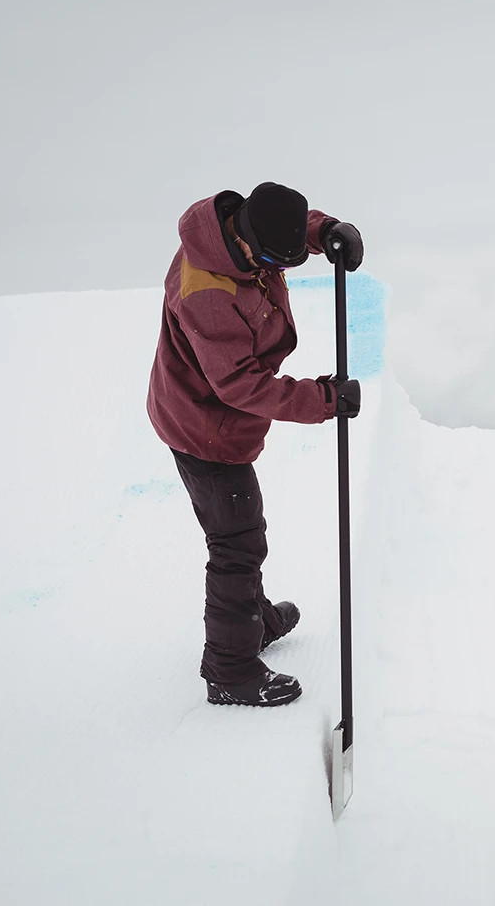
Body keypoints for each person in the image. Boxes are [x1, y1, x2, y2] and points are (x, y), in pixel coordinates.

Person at [147, 182, 365, 707]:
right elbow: (239, 383)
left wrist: (325, 231)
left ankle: (251, 621)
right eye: (270, 261)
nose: (275, 271)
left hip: (211, 417)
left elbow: (282, 218)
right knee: (237, 543)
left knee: (239, 531)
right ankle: (230, 668)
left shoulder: (236, 235)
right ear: (244, 242)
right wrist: (323, 400)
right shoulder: (206, 293)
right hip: (203, 428)